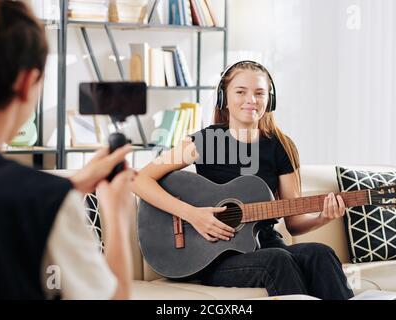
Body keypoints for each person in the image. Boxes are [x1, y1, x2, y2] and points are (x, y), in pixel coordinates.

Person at [131, 60, 355, 299]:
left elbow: (294, 223)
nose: (251, 100)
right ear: (223, 98)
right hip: (212, 255)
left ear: (270, 99)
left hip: (267, 245)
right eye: (240, 92)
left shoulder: (281, 147)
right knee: (277, 260)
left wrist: (323, 216)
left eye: (260, 93)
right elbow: (138, 180)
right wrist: (192, 215)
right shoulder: (206, 142)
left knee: (321, 253)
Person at [0, 0, 136, 299]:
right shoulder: (46, 200)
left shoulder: (45, 196)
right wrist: (115, 215)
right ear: (27, 82)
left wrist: (68, 186)